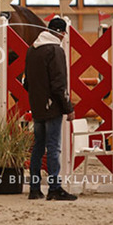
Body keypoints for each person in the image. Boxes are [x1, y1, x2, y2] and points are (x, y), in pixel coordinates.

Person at [23, 17, 77, 201]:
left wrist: (38, 98)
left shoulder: (32, 49)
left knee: (38, 148)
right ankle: (54, 188)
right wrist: (68, 108)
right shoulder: (56, 50)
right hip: (52, 107)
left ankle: (34, 189)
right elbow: (59, 84)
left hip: (37, 106)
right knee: (54, 148)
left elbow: (26, 83)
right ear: (60, 33)